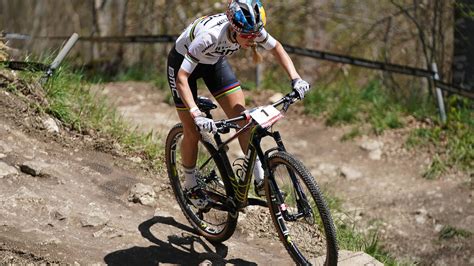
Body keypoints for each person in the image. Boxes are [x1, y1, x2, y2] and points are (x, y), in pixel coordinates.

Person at [166, 0, 310, 209]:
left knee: (245, 120)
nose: (252, 40)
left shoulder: (251, 29)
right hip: (183, 65)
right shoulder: (210, 37)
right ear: (234, 29)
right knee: (192, 130)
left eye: (255, 35)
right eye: (247, 37)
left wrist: (296, 78)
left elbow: (276, 47)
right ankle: (190, 183)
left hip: (214, 62)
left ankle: (261, 180)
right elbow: (182, 78)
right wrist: (196, 113)